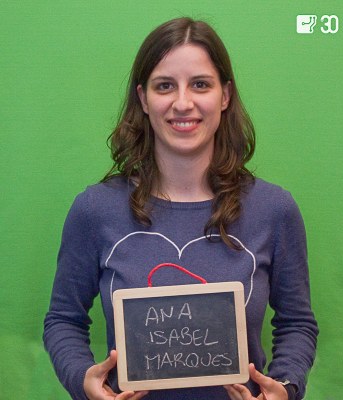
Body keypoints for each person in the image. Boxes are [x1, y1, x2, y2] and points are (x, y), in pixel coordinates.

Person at [43, 17, 318, 400]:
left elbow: (297, 323)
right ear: (143, 99)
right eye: (165, 86)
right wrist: (84, 381)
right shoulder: (95, 209)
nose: (183, 103)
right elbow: (63, 320)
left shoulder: (274, 209)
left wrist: (285, 388)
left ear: (225, 96)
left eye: (200, 84)